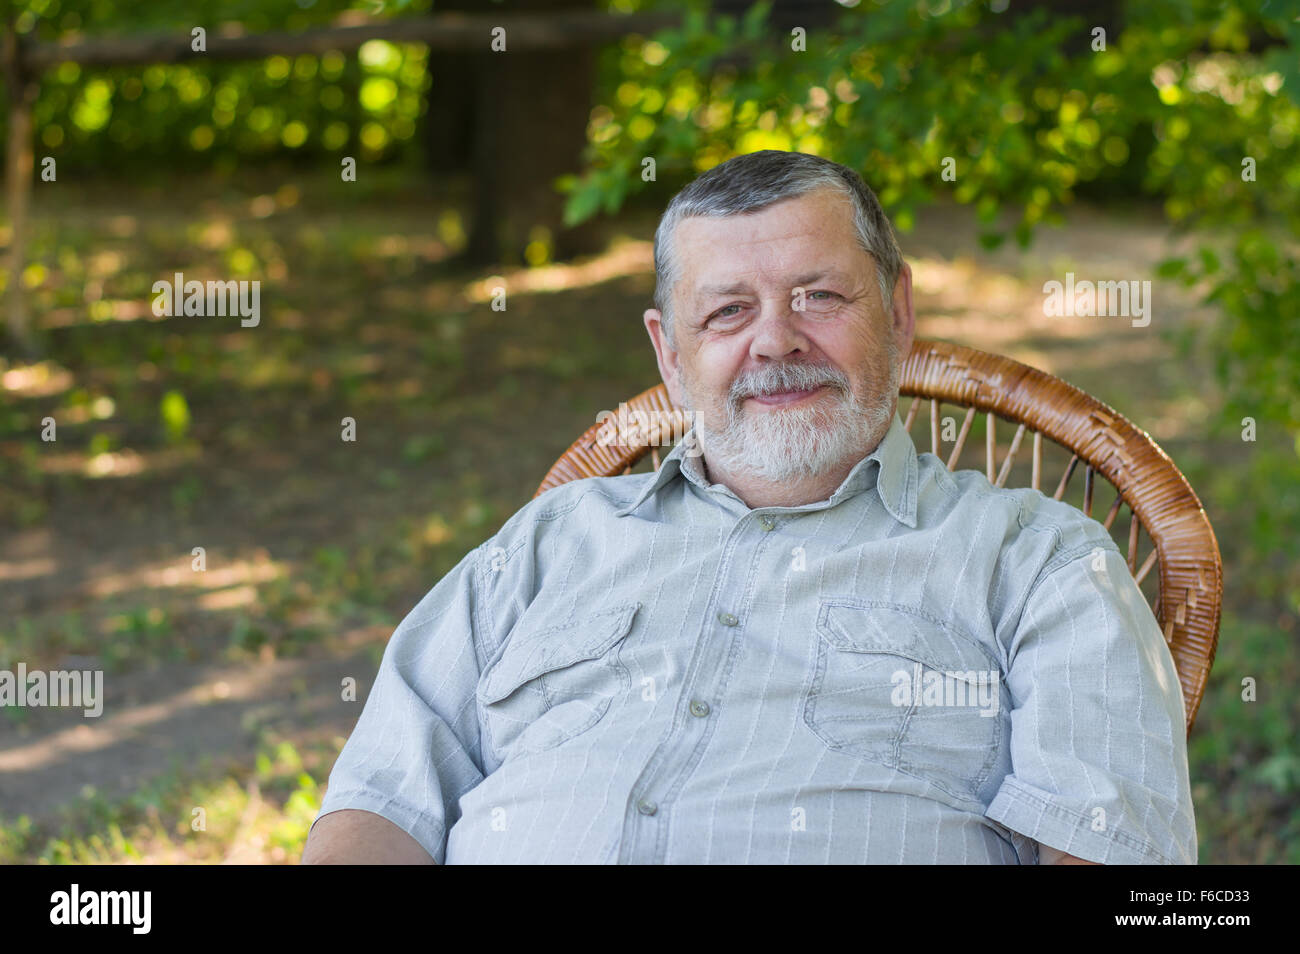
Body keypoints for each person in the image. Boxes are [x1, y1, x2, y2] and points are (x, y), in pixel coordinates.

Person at [303, 150, 1195, 864]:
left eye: (820, 296)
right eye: (728, 311)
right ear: (670, 353)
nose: (777, 339)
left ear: (898, 311)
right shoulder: (548, 544)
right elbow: (380, 805)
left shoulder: (1038, 562)